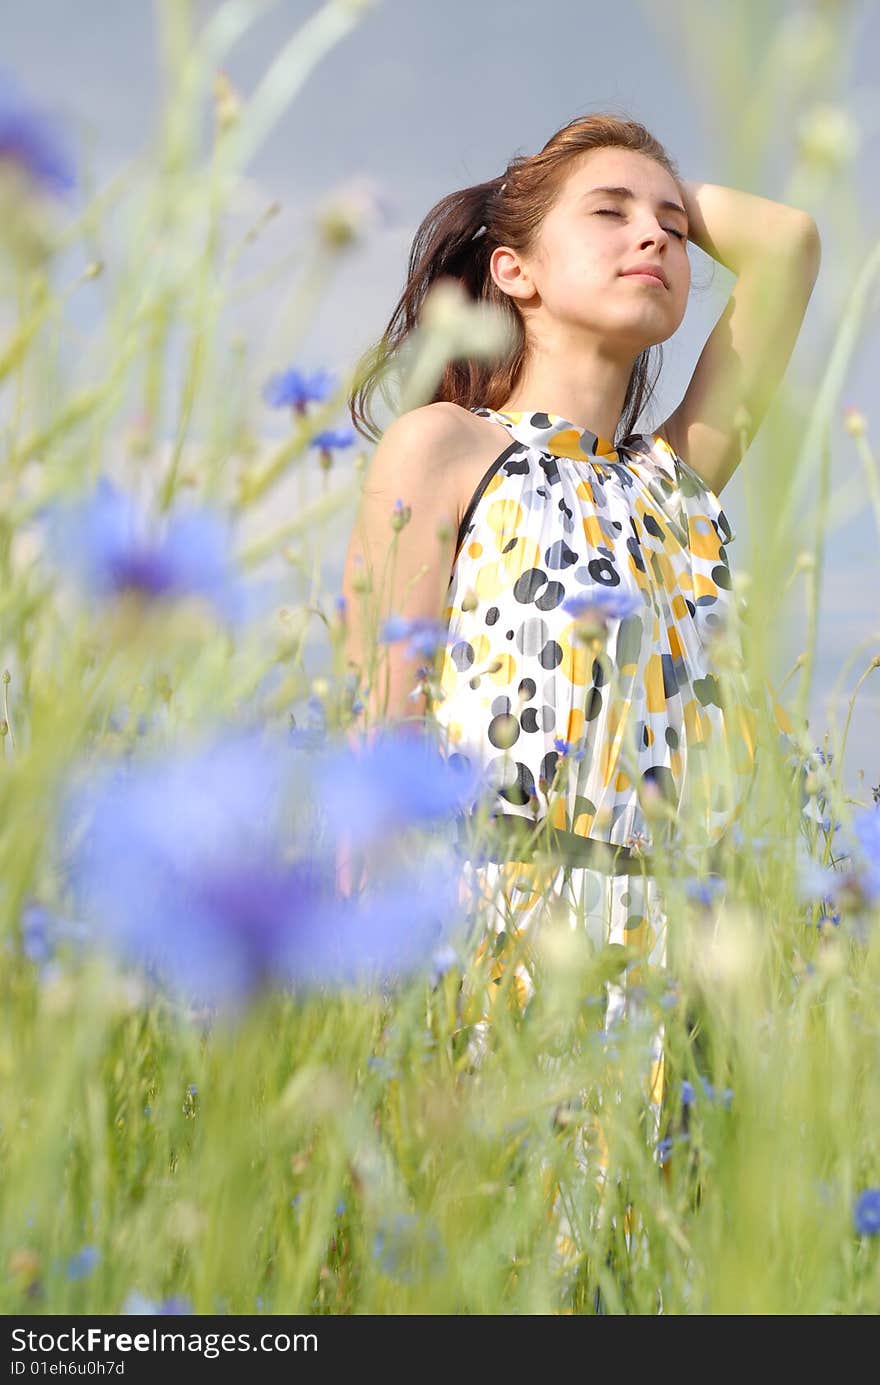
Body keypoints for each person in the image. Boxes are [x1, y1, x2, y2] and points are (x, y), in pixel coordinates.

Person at [341, 113, 818, 1294]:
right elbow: (382, 716)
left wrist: (633, 194)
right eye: (607, 216)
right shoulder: (448, 446)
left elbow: (794, 241)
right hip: (497, 917)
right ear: (513, 270)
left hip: (690, 946)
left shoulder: (678, 473)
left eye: (671, 227)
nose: (653, 237)